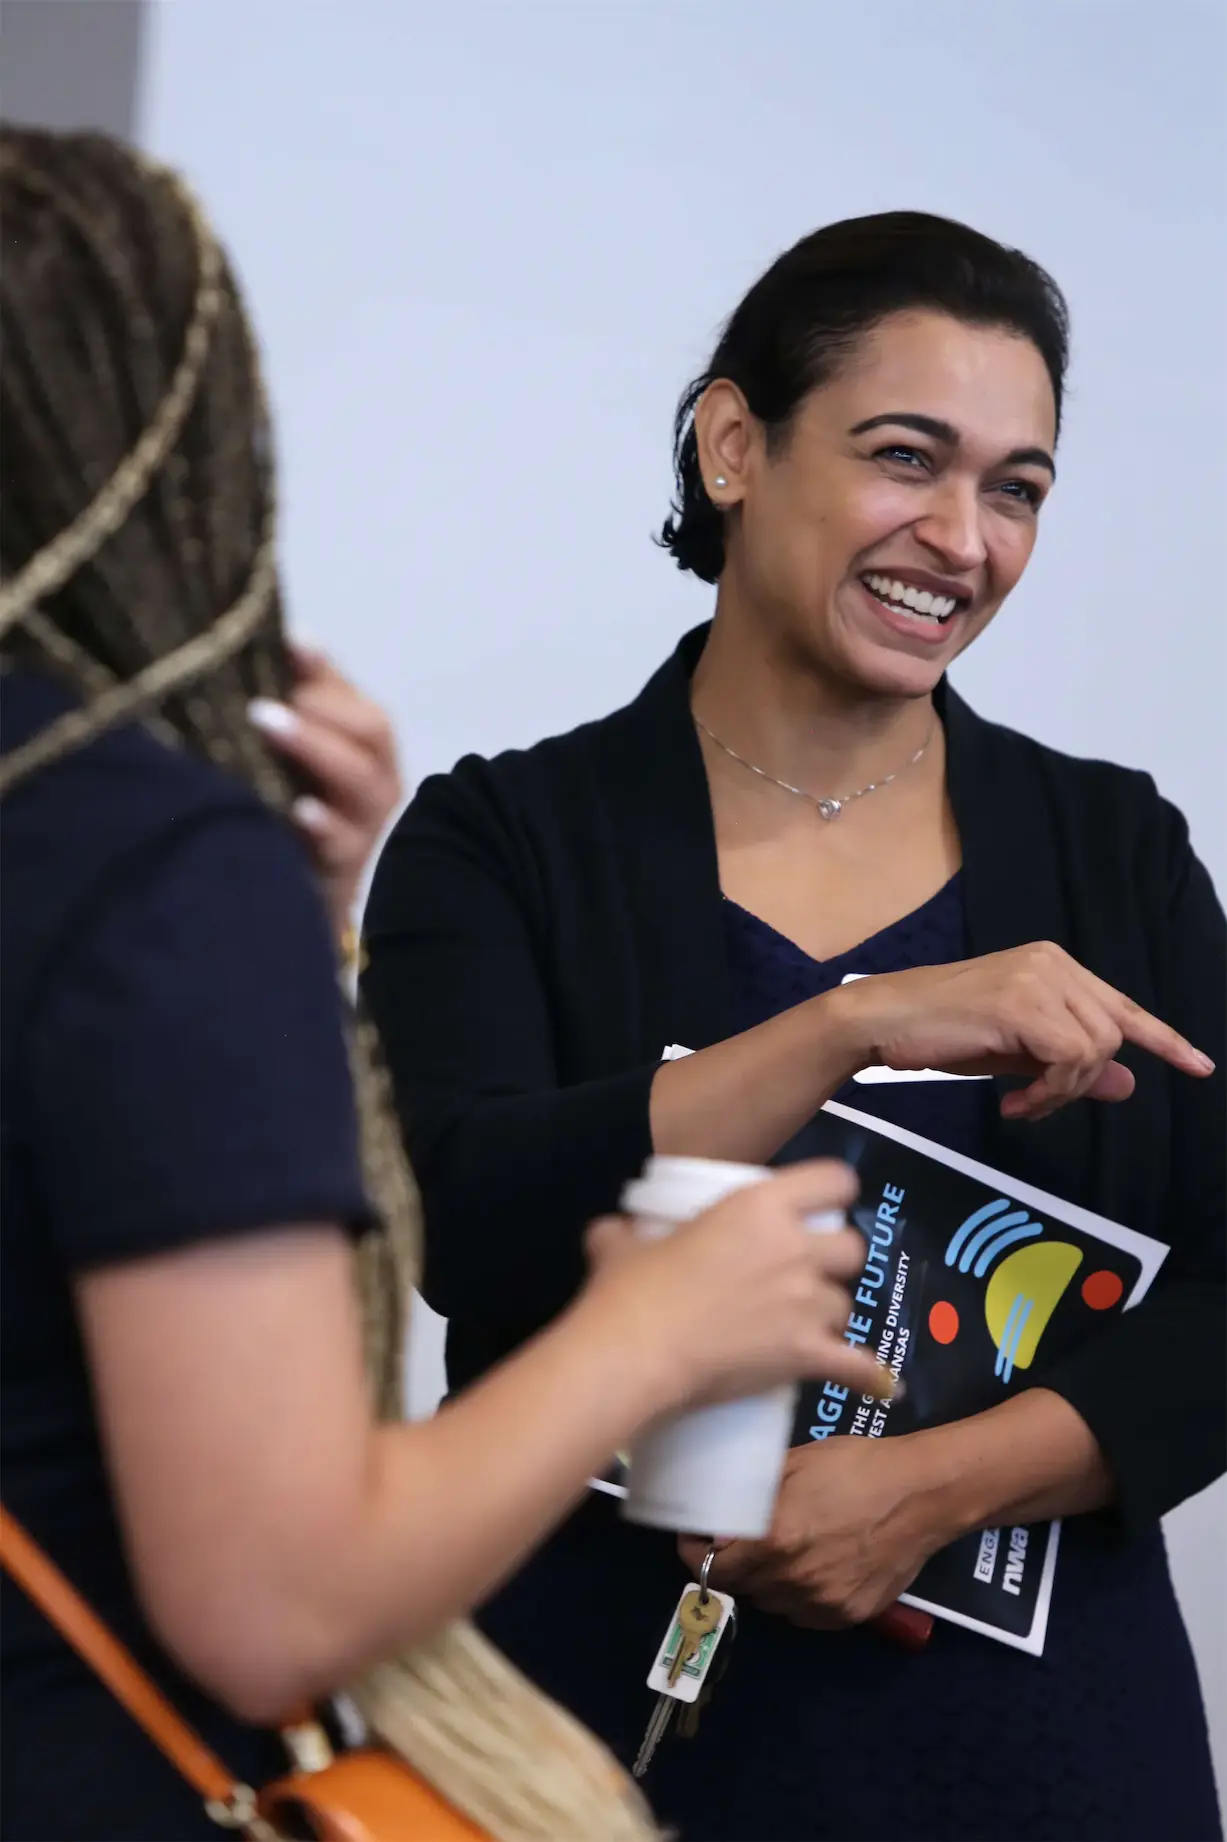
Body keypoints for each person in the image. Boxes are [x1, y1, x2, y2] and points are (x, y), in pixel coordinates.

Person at [0, 127, 892, 1842]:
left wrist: (290, 929)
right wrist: (652, 1333)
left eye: (1021, 482)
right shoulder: (149, 857)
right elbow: (269, 1596)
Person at [363, 211, 1226, 1842]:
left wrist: (926, 1487)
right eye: (908, 458)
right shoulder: (502, 839)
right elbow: (467, 1218)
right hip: (582, 1737)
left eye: (1016, 487)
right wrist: (844, 1025)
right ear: (734, 442)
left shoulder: (1115, 848)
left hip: (1045, 1763)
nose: (961, 540)